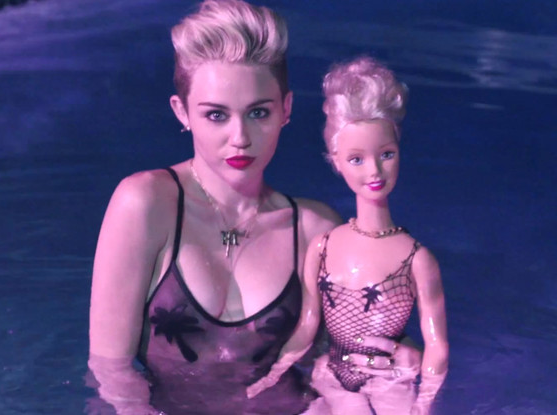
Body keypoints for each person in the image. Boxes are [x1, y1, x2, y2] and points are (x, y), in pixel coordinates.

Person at [87, 1, 420, 413]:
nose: (240, 137)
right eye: (216, 115)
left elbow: (349, 357)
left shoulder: (315, 230)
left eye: (258, 112)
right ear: (182, 112)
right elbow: (112, 373)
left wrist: (396, 357)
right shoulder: (145, 204)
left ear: (286, 110)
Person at [247, 57, 448, 415]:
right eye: (357, 159)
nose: (375, 170)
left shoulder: (417, 259)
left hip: (390, 378)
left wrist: (424, 402)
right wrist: (273, 373)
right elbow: (308, 325)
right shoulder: (323, 248)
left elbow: (437, 346)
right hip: (332, 374)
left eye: (386, 154)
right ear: (336, 162)